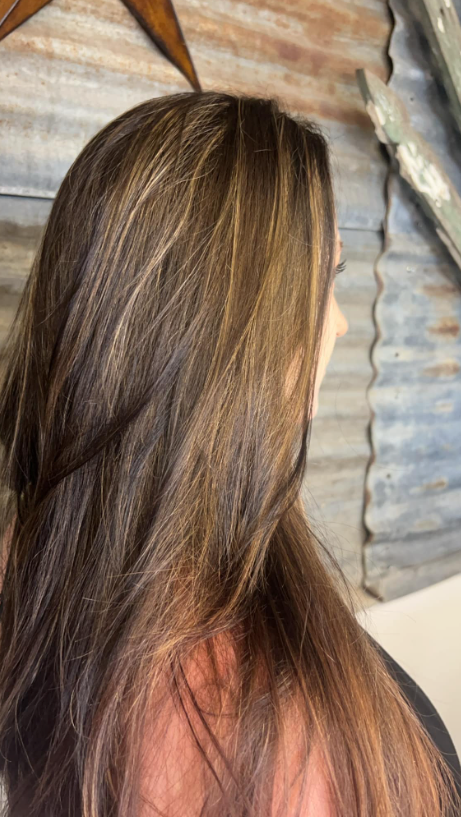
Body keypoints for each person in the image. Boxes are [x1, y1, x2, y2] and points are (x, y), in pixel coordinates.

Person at [0, 90, 459, 817]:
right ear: (238, 328)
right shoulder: (301, 754)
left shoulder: (32, 572)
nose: (337, 323)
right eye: (324, 283)